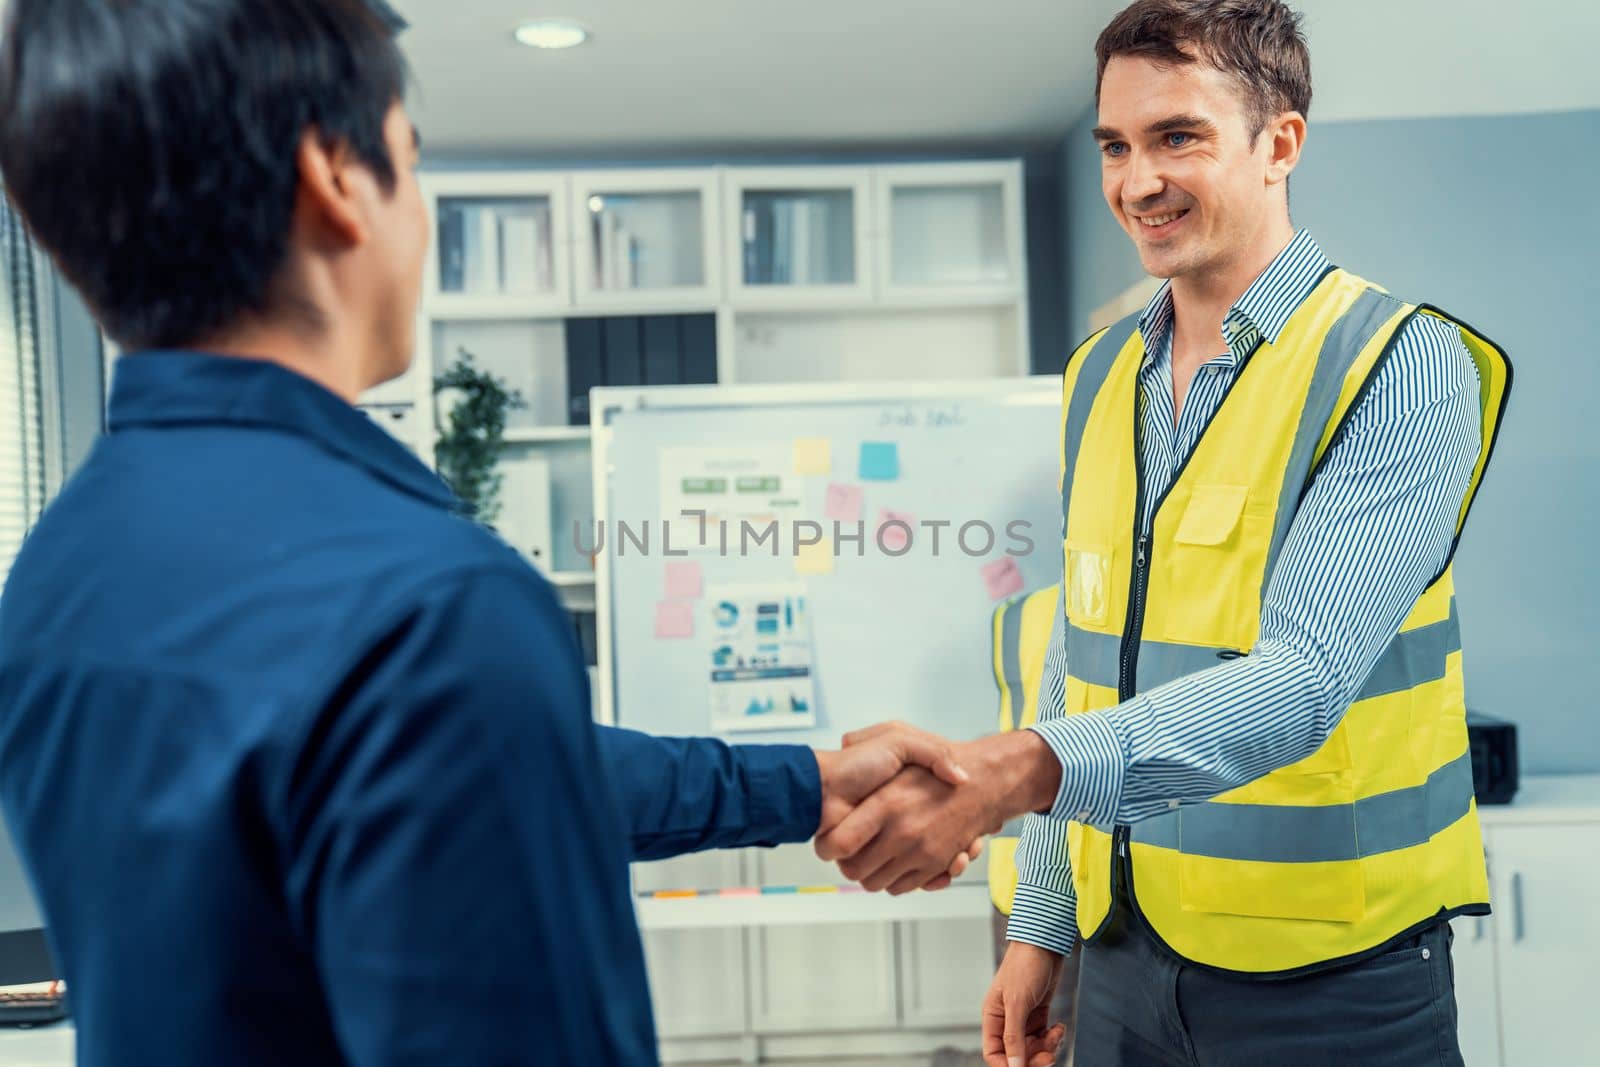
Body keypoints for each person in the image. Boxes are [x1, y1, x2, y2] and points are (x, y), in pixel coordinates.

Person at [0, 2, 979, 1064]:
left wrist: (801, 780)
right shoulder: (429, 606)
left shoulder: (62, 565)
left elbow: (428, 780)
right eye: (411, 166)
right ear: (334, 177)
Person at [816, 1, 1513, 1064]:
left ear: (1278, 143)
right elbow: (1077, 657)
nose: (1136, 181)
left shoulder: (1399, 363)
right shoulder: (1100, 376)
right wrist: (1041, 925)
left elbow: (1305, 676)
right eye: (1115, 145)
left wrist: (1010, 772)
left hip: (1335, 980)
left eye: (1176, 136)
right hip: (1124, 962)